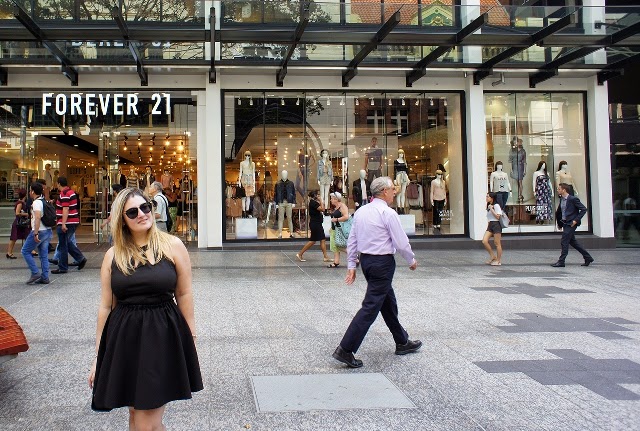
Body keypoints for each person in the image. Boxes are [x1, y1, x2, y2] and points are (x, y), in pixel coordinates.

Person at [88, 187, 203, 428]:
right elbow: (106, 306)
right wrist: (98, 357)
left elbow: (184, 293)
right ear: (122, 219)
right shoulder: (113, 255)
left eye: (145, 207)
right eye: (132, 212)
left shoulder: (172, 246)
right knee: (136, 414)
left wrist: (189, 337)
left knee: (144, 419)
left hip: (161, 336)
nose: (142, 214)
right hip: (125, 340)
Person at [332, 177, 421, 368]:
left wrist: (352, 266)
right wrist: (411, 260)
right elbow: (401, 241)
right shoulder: (387, 213)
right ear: (383, 191)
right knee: (371, 306)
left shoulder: (361, 212)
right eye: (392, 188)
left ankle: (402, 341)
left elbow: (352, 240)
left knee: (388, 302)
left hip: (368, 262)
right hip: (382, 263)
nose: (394, 191)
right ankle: (345, 349)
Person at [551, 183, 594, 267]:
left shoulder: (573, 199)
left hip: (571, 223)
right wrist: (559, 223)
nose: (557, 190)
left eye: (559, 189)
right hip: (565, 223)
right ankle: (588, 257)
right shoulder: (562, 199)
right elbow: (560, 212)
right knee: (573, 242)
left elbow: (583, 209)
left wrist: (575, 220)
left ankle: (561, 261)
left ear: (564, 190)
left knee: (564, 241)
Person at [52, 176, 87, 274]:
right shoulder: (71, 192)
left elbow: (65, 208)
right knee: (67, 242)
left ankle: (63, 267)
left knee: (63, 244)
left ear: (59, 184)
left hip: (67, 222)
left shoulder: (64, 194)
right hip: (73, 221)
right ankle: (80, 258)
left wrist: (63, 223)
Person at [21, 182, 53, 284]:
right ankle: (45, 276)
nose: (29, 192)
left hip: (40, 230)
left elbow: (38, 217)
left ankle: (35, 272)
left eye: (30, 190)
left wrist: (35, 233)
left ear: (33, 191)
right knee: (43, 254)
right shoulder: (44, 201)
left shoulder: (36, 203)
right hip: (47, 230)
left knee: (25, 251)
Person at [296, 191, 331, 263]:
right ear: (314, 195)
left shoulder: (313, 202)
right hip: (315, 224)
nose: (318, 196)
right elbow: (323, 209)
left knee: (322, 239)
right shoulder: (313, 203)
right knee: (313, 241)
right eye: (317, 194)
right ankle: (300, 254)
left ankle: (325, 257)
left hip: (317, 223)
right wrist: (321, 200)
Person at [327, 192, 349, 268]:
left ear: (336, 199)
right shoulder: (336, 207)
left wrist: (336, 219)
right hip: (334, 228)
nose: (331, 200)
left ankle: (353, 255)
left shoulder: (342, 206)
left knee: (339, 245)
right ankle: (336, 262)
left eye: (332, 198)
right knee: (334, 246)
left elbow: (346, 217)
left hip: (339, 229)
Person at [7, 189, 30, 259]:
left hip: (20, 223)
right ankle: (9, 252)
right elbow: (17, 213)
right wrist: (26, 214)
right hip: (19, 223)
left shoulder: (21, 202)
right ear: (25, 195)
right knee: (14, 238)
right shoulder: (20, 203)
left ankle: (30, 250)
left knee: (26, 235)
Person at [482, 192, 503, 266]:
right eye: (486, 196)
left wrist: (492, 209)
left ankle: (498, 260)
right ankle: (492, 256)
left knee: (497, 243)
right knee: (484, 241)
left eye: (488, 197)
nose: (486, 198)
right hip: (490, 225)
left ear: (492, 198)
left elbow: (498, 216)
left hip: (496, 224)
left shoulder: (496, 205)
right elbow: (489, 217)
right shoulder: (488, 206)